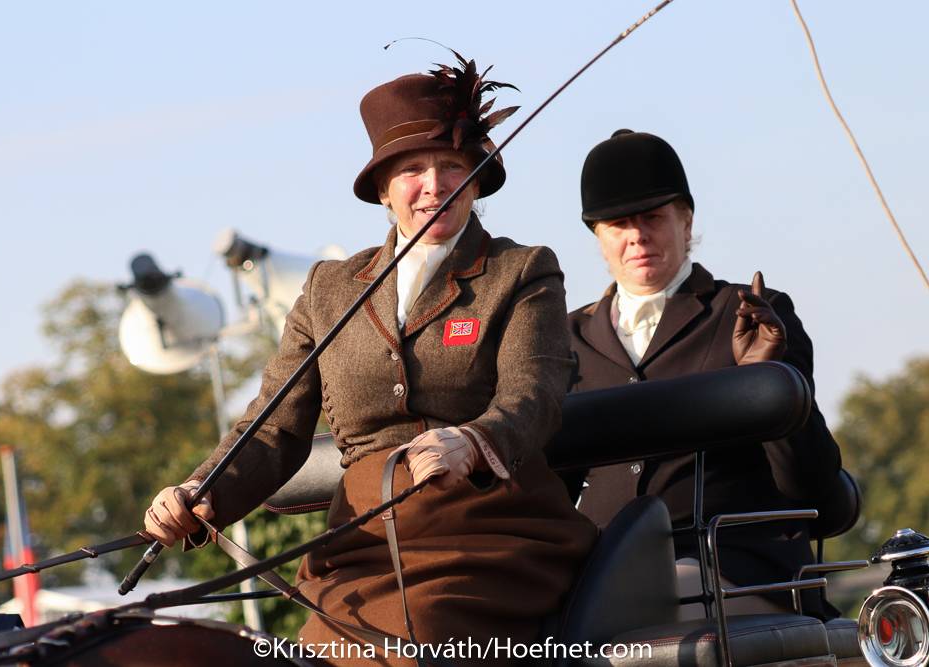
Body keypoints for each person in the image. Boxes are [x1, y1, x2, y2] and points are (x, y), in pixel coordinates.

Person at [143, 55, 596, 664]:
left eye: (451, 166)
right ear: (383, 190)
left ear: (476, 180)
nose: (434, 185)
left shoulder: (520, 272)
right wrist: (200, 492)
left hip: (490, 532)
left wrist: (471, 442)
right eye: (412, 170)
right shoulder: (329, 289)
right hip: (362, 544)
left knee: (420, 636)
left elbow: (532, 393)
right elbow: (273, 427)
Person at [567, 129, 842, 619]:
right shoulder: (566, 339)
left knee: (639, 607)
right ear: (598, 236)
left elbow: (811, 481)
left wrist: (769, 381)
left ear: (686, 220)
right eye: (619, 224)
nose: (637, 236)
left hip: (731, 568)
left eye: (652, 218)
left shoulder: (751, 314)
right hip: (600, 569)